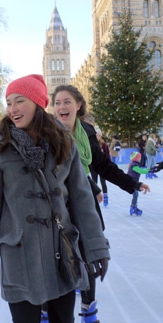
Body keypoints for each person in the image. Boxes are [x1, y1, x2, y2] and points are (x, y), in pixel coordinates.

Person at [0, 74, 110, 323]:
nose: (12, 109)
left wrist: (97, 247)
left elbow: (82, 200)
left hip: (61, 254)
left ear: (37, 103)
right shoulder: (0, 148)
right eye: (9, 102)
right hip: (20, 256)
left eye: (19, 101)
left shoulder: (65, 142)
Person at [51, 84, 150, 323]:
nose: (61, 107)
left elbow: (102, 165)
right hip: (55, 203)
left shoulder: (87, 132)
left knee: (88, 252)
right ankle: (47, 307)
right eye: (57, 103)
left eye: (66, 102)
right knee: (53, 254)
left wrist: (132, 184)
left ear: (78, 105)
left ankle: (88, 307)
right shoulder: (48, 133)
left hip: (83, 201)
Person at [127, 152, 153, 216]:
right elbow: (141, 171)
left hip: (133, 182)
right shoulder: (134, 165)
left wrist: (148, 169)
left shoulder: (135, 164)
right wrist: (149, 170)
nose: (141, 158)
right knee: (135, 194)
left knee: (135, 194)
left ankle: (133, 206)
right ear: (136, 158)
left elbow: (141, 169)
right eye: (139, 157)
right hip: (131, 183)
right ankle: (133, 207)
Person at [91, 126, 110, 207]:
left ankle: (105, 196)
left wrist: (108, 165)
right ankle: (95, 197)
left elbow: (108, 155)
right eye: (96, 135)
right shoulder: (91, 144)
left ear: (100, 136)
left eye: (98, 135)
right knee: (94, 182)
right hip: (93, 167)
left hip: (102, 167)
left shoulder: (104, 145)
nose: (97, 137)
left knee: (103, 182)